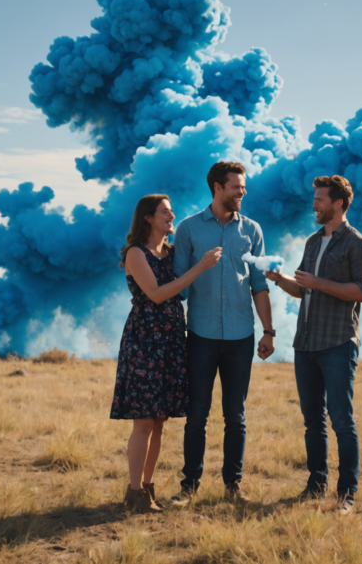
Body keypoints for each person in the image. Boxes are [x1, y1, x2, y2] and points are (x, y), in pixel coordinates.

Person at [265, 175, 362, 515]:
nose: (315, 203)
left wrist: (319, 283)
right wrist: (279, 279)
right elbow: (302, 289)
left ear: (339, 203)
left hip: (338, 342)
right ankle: (316, 483)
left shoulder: (357, 243)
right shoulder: (313, 242)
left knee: (341, 420)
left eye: (321, 199)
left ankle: (347, 493)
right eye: (314, 198)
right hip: (306, 343)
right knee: (312, 420)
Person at [170, 161, 276, 505]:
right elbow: (178, 287)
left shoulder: (253, 230)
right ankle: (189, 486)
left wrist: (268, 331)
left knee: (236, 415)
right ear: (217, 187)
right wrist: (200, 267)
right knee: (197, 413)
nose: (242, 192)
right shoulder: (187, 229)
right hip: (200, 335)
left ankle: (234, 486)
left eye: (243, 187)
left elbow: (259, 284)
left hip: (241, 336)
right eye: (236, 187)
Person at [112, 194, 222, 513]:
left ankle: (147, 489)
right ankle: (133, 493)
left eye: (171, 211)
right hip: (145, 342)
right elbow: (158, 295)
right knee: (144, 422)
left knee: (159, 421)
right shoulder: (136, 253)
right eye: (165, 212)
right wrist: (201, 266)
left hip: (171, 342)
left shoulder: (172, 253)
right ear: (148, 217)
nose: (171, 216)